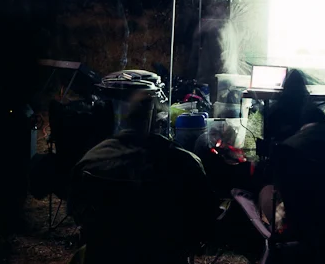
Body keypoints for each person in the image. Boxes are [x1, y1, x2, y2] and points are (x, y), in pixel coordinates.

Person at [69, 92, 220, 263]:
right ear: (156, 121)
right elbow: (206, 220)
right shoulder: (185, 163)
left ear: (124, 119)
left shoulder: (91, 159)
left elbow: (76, 210)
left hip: (104, 254)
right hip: (164, 256)